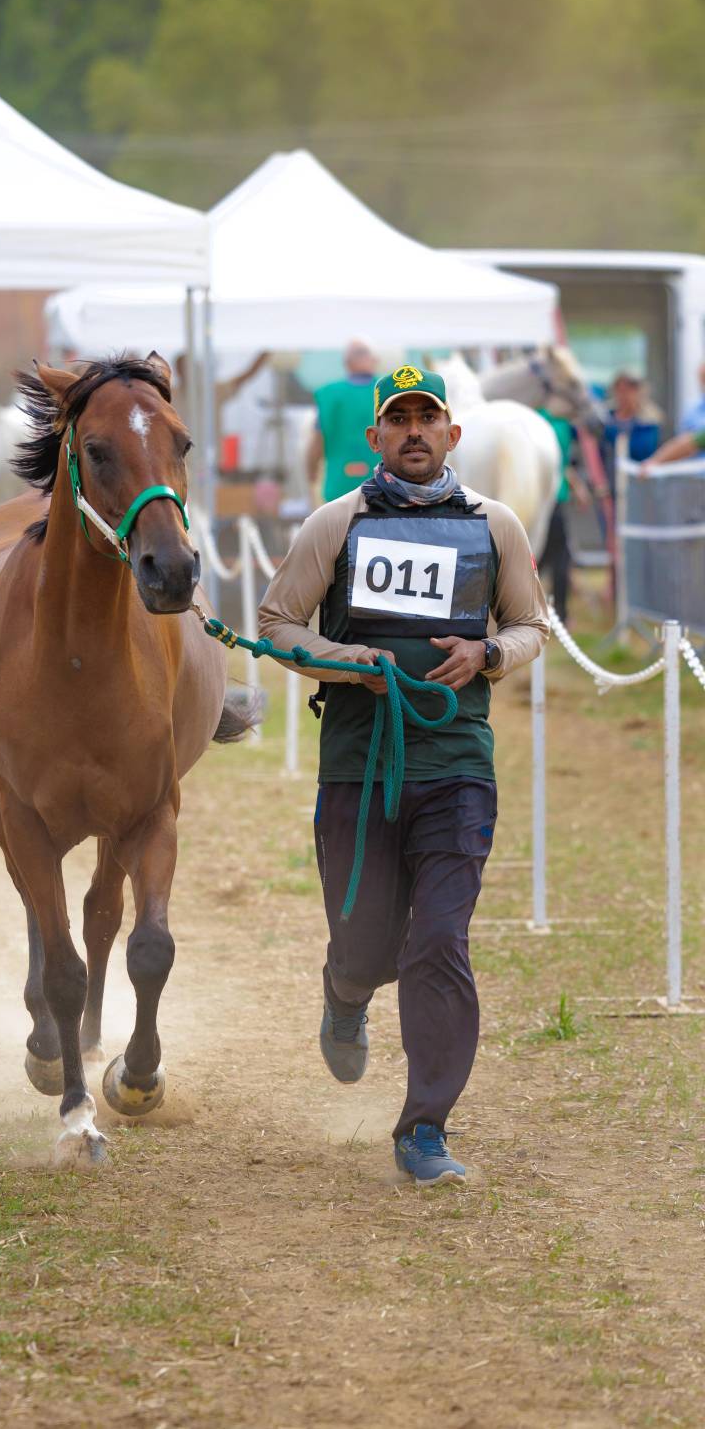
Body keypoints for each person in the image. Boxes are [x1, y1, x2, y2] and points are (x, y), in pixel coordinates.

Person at [258, 364, 549, 1186]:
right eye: (400, 419)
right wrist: (353, 662)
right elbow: (279, 624)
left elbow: (531, 626)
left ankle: (425, 1127)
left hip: (457, 766)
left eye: (430, 418)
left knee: (438, 942)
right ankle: (346, 993)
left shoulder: (495, 526)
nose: (415, 431)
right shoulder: (336, 523)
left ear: (454, 435)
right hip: (360, 769)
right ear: (375, 437)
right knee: (366, 946)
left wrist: (488, 653)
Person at [535, 406, 591, 623]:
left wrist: (576, 486)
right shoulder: (559, 425)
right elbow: (561, 463)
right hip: (553, 499)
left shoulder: (544, 421)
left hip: (547, 498)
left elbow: (561, 464)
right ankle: (560, 614)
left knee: (543, 558)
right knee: (557, 558)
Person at [306, 341, 378, 504]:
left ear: (346, 363)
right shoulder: (385, 392)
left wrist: (311, 473)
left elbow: (317, 441)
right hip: (380, 486)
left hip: (339, 485)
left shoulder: (330, 394)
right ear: (373, 360)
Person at [600, 369, 662, 492]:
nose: (624, 396)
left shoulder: (649, 422)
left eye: (629, 390)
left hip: (638, 487)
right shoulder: (604, 418)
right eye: (620, 390)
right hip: (607, 487)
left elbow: (644, 450)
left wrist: (612, 434)